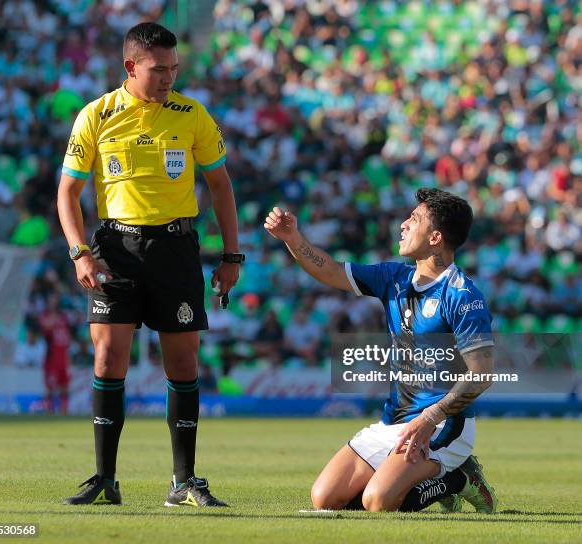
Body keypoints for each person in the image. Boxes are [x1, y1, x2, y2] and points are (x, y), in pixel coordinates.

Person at [57, 22, 243, 507]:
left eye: (174, 69)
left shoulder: (192, 114)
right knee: (107, 359)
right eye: (158, 69)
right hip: (115, 250)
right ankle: (104, 479)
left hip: (176, 250)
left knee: (183, 364)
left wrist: (231, 255)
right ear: (130, 67)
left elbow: (221, 186)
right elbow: (68, 193)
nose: (168, 78)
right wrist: (79, 252)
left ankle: (184, 481)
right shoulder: (96, 115)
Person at [265, 188, 498, 513]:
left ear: (435, 237)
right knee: (325, 499)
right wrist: (292, 238)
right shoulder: (394, 278)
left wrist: (431, 418)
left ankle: (461, 477)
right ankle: (422, 476)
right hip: (393, 422)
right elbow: (329, 270)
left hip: (444, 424)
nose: (403, 224)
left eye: (414, 219)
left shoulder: (462, 295)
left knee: (378, 501)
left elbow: (482, 374)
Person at [38, 295, 72, 414]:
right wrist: (53, 317)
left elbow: (68, 336)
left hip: (63, 357)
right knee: (50, 386)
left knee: (64, 385)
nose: (54, 303)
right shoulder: (46, 316)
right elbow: (45, 327)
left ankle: (64, 409)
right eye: (51, 301)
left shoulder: (63, 317)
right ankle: (49, 410)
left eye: (55, 301)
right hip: (51, 357)